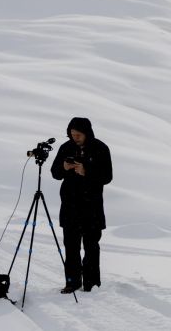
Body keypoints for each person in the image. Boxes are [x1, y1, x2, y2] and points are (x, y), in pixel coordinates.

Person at [50, 117, 112, 293]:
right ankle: (72, 282)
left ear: (86, 133)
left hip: (91, 207)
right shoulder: (66, 147)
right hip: (70, 205)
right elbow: (55, 173)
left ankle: (91, 284)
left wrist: (87, 171)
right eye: (72, 134)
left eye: (78, 134)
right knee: (71, 246)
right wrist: (64, 167)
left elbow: (107, 176)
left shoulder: (100, 148)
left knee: (91, 246)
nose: (74, 137)